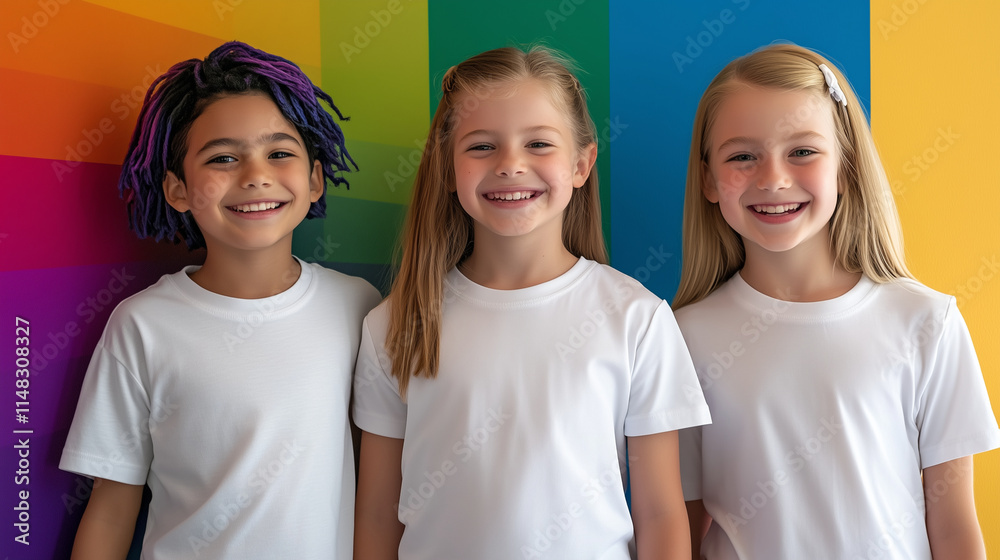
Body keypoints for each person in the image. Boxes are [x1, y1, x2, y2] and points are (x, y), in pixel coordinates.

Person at [351, 45, 711, 560]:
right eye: (482, 146)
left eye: (538, 143)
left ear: (582, 164)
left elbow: (660, 514)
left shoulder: (638, 319)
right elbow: (376, 515)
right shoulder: (394, 324)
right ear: (448, 169)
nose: (510, 165)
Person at [673, 43, 1000, 560]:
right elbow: (680, 528)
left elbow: (955, 526)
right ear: (709, 179)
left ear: (845, 166)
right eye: (742, 156)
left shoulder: (925, 321)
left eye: (802, 152)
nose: (773, 178)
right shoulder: (680, 338)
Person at [59, 41, 380, 559]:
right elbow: (112, 507)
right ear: (178, 190)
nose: (256, 175)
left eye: (279, 153)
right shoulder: (142, 325)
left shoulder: (360, 308)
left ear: (315, 179)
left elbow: (378, 480)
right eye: (223, 158)